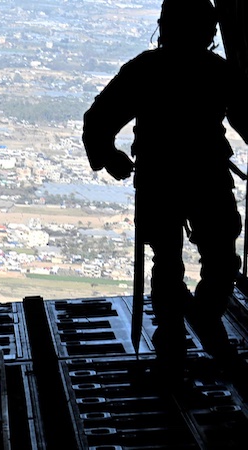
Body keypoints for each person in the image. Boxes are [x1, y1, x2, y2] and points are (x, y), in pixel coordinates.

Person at [82, 0, 248, 384]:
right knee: (214, 260)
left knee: (173, 264)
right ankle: (194, 328)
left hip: (164, 179)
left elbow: (98, 121)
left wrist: (111, 158)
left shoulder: (146, 70)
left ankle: (178, 339)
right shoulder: (215, 71)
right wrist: (109, 156)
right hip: (203, 176)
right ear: (208, 34)